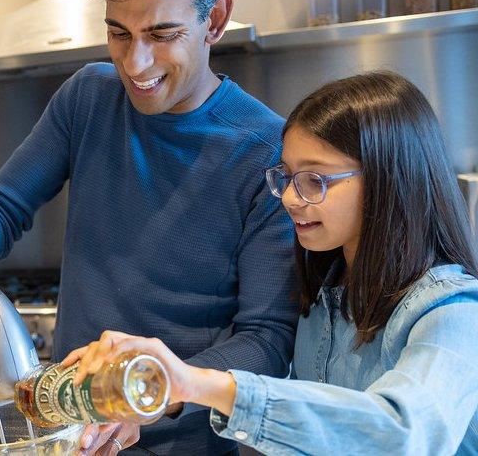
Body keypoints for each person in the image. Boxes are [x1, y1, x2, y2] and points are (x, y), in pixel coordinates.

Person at [0, 0, 296, 454]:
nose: (134, 62)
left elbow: (266, 341)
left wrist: (148, 395)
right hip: (76, 431)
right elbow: (2, 206)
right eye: (118, 34)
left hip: (187, 443)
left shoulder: (267, 151)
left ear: (215, 21)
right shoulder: (88, 97)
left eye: (161, 34)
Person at [67, 71, 478, 455]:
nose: (289, 198)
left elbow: (404, 433)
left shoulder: (452, 312)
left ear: (388, 179)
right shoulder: (326, 296)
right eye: (287, 176)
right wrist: (157, 397)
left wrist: (193, 382)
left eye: (315, 180)